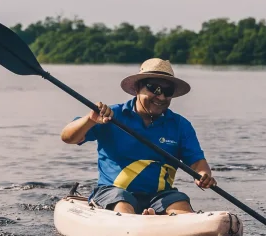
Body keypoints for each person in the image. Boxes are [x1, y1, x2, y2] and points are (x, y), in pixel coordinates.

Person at [61, 58, 217, 215]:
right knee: (122, 203)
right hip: (114, 193)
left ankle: (160, 221)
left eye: (167, 92)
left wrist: (203, 175)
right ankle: (138, 223)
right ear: (137, 88)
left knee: (180, 203)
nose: (161, 97)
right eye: (154, 89)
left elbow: (197, 163)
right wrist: (90, 120)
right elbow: (68, 137)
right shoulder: (111, 116)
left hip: (161, 196)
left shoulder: (180, 125)